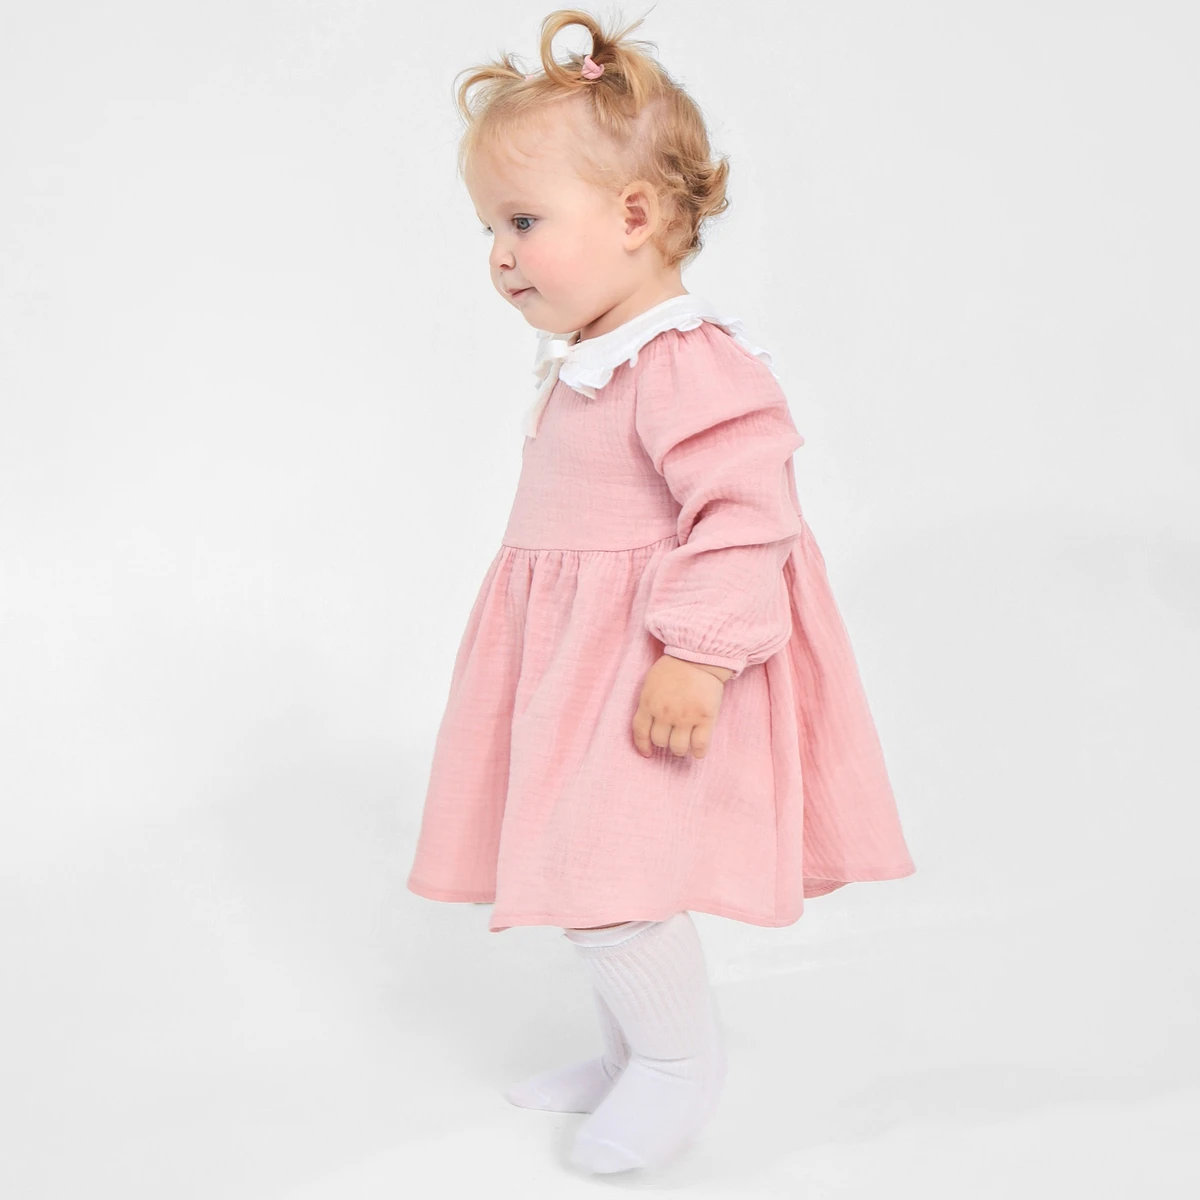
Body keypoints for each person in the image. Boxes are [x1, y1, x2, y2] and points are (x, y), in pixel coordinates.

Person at [406, 6, 917, 1175]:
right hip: (581, 664)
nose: (498, 255)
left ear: (634, 217)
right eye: (489, 227)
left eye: (523, 221)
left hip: (654, 666)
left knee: (610, 877)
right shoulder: (595, 362)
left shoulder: (686, 360)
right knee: (590, 863)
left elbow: (747, 508)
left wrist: (699, 650)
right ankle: (633, 1052)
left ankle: (681, 1064)